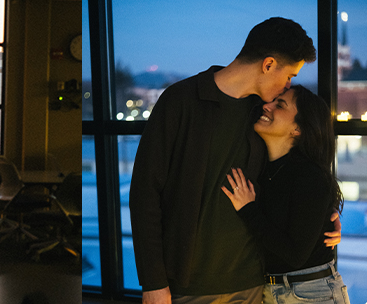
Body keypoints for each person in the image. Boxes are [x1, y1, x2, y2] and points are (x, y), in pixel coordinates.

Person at [128, 17, 341, 303]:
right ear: (268, 65)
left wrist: (324, 216)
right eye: (289, 76)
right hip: (187, 286)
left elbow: (293, 175)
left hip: (253, 284)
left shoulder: (262, 117)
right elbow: (144, 194)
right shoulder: (180, 101)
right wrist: (152, 282)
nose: (287, 85)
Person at [223, 86, 349, 304]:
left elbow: (295, 254)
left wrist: (248, 209)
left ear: (297, 129)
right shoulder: (264, 169)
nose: (267, 106)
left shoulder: (310, 176)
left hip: (312, 293)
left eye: (279, 105)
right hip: (274, 291)